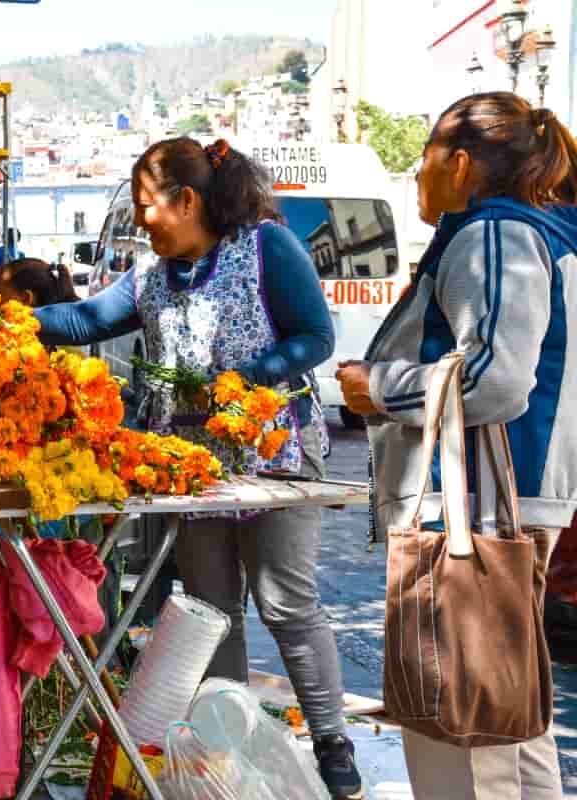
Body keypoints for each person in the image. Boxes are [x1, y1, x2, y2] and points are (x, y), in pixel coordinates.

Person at [33, 138, 361, 799]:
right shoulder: (152, 276)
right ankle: (227, 753)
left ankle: (332, 743)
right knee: (211, 610)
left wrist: (253, 375)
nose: (140, 221)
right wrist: (14, 318)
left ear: (186, 200)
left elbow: (315, 337)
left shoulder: (268, 248)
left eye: (145, 207)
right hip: (188, 471)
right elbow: (88, 318)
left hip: (274, 459)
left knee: (285, 601)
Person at [337, 92, 577, 800]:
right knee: (508, 717)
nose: (417, 176)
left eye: (424, 159)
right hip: (522, 497)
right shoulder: (554, 233)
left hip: (475, 505)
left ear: (461, 161)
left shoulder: (493, 235)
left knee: (457, 726)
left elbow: (496, 379)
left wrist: (378, 386)